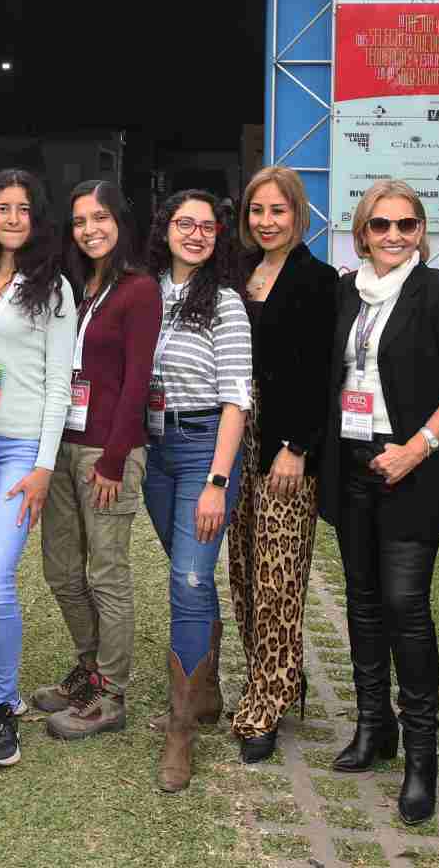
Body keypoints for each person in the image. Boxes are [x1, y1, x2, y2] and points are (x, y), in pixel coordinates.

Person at [320, 179, 439, 825]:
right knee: (362, 601)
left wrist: (417, 448)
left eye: (406, 225)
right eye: (380, 225)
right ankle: (372, 727)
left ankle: (422, 759)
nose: (393, 235)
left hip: (412, 466)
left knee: (405, 607)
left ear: (421, 232)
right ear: (362, 233)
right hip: (352, 463)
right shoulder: (344, 293)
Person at [0, 170, 75, 768]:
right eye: (3, 207)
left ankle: (4, 707)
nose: (13, 218)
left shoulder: (55, 289)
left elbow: (59, 386)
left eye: (24, 209)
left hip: (21, 449)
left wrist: (44, 465)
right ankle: (1, 686)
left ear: (37, 217)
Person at [30, 180, 158, 741]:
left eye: (100, 218)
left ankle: (110, 692)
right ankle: (89, 668)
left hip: (107, 450)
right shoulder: (76, 286)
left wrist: (114, 458)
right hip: (62, 443)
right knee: (60, 568)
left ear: (120, 221)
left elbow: (137, 381)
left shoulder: (139, 289)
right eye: (81, 220)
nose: (90, 230)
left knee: (106, 571)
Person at [140, 190, 252, 793]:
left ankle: (180, 730)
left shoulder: (225, 302)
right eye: (185, 223)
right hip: (155, 449)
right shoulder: (145, 291)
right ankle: (205, 693)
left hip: (204, 448)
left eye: (207, 226)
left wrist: (216, 482)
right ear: (166, 229)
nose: (196, 234)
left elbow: (237, 399)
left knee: (186, 582)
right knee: (194, 574)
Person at [227, 166, 338, 762]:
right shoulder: (239, 274)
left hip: (285, 445)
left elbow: (322, 373)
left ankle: (266, 703)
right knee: (245, 571)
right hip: (236, 438)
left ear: (298, 214)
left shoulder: (317, 280)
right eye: (257, 211)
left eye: (278, 210)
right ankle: (271, 677)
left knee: (279, 577)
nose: (266, 222)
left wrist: (298, 446)